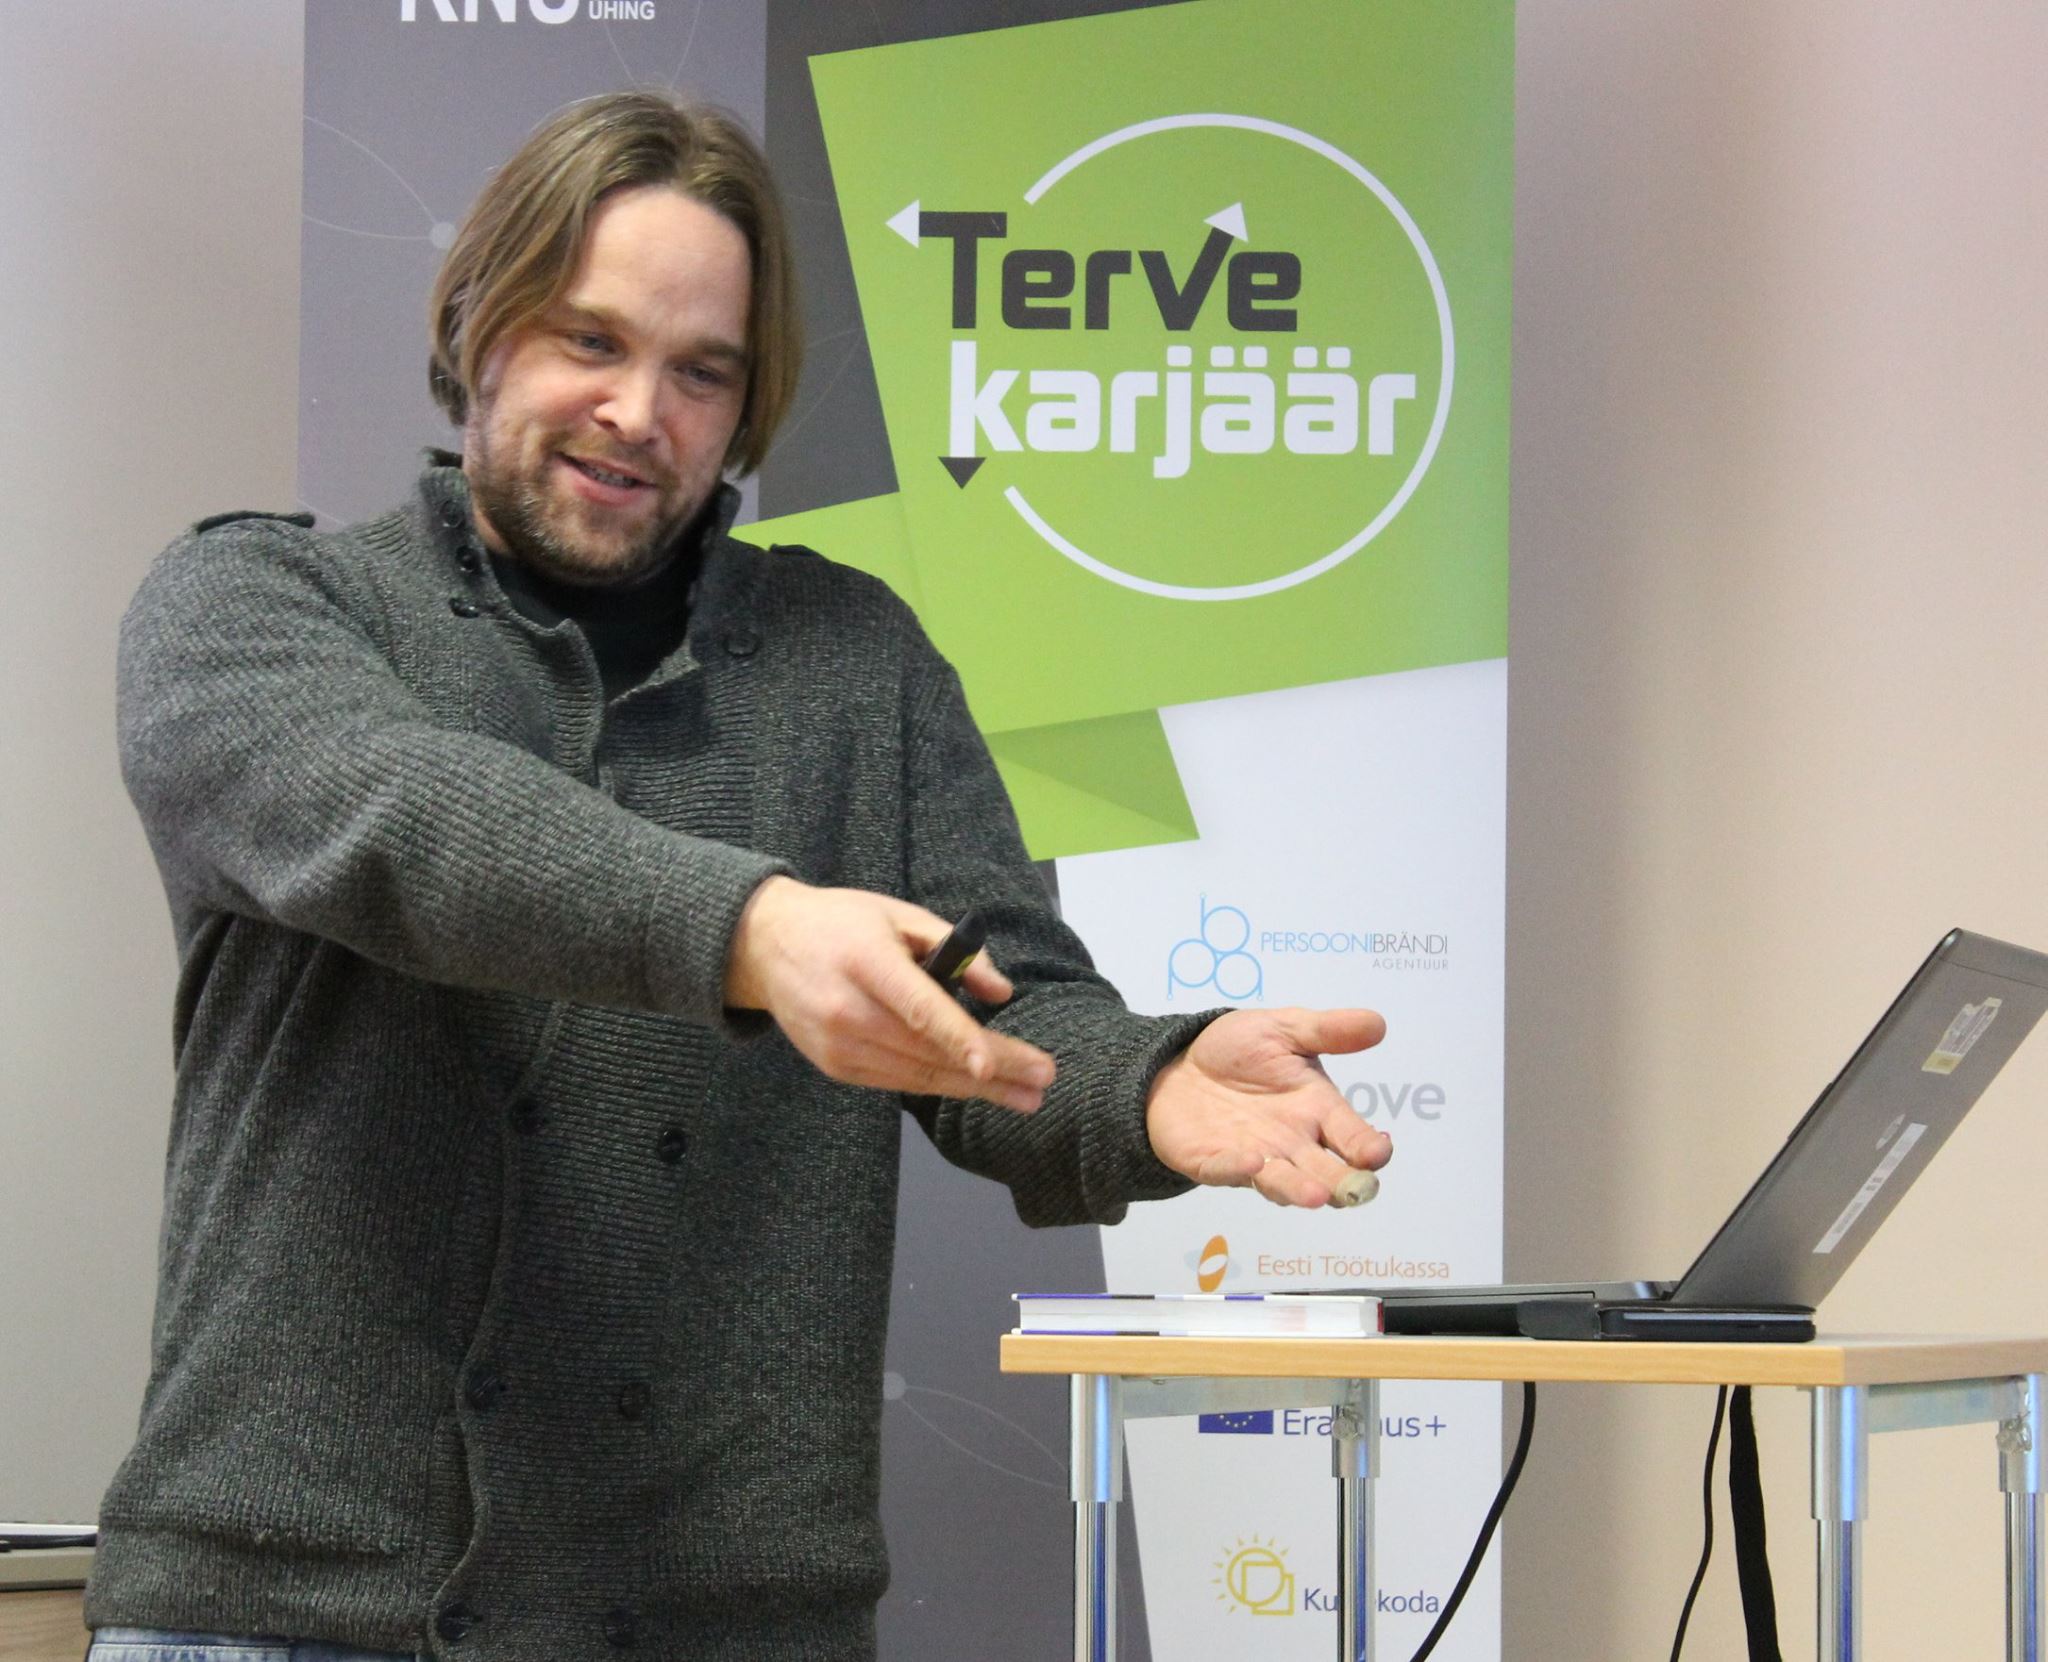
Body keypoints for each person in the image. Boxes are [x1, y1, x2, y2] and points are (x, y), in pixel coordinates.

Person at [86, 92, 1392, 1662]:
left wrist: (1148, 1078)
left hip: (723, 1621)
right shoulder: (249, 602)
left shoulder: (856, 663)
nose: (639, 411)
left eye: (701, 371)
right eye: (589, 340)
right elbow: (403, 817)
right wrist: (754, 930)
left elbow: (1000, 1008)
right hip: (284, 1616)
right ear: (478, 322)